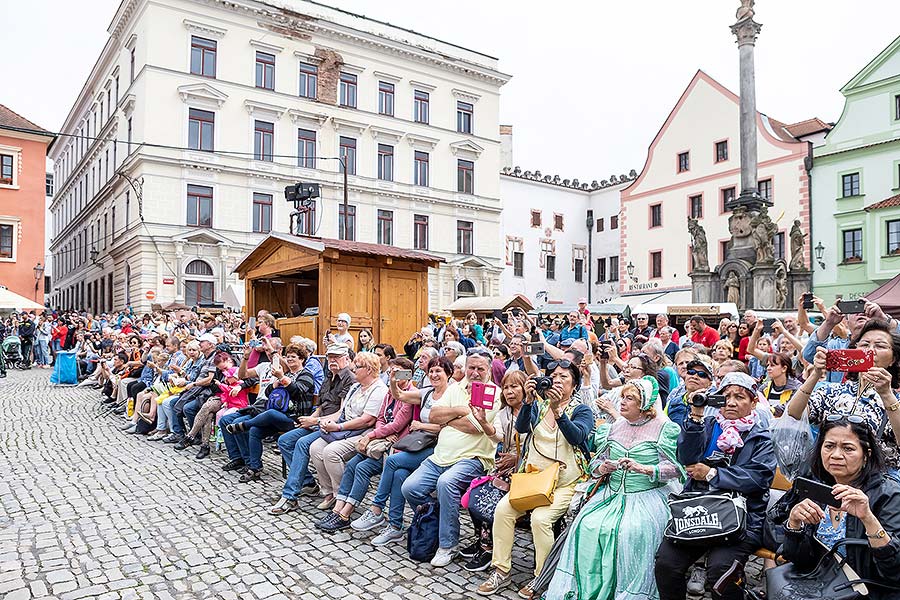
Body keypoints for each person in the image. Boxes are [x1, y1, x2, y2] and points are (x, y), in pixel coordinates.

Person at [543, 377, 685, 600]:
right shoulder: (614, 427)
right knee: (585, 524)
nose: (623, 403)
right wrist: (604, 467)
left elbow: (676, 469)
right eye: (623, 398)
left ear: (645, 405)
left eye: (630, 399)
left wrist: (644, 469)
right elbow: (594, 466)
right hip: (612, 494)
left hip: (646, 496)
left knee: (630, 532)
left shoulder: (664, 429)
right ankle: (587, 588)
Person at [654, 372, 777, 600]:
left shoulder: (761, 437)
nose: (731, 402)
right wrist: (696, 415)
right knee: (666, 564)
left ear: (753, 402)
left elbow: (758, 478)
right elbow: (686, 457)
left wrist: (711, 473)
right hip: (700, 512)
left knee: (722, 574)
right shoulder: (708, 425)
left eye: (740, 397)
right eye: (725, 396)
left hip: (741, 520)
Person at [477, 359, 593, 598]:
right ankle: (500, 570)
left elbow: (577, 436)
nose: (557, 380)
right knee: (503, 511)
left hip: (565, 482)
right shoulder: (539, 405)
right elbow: (521, 429)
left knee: (540, 519)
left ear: (574, 384)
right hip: (533, 478)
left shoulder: (581, 409)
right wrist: (529, 400)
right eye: (553, 376)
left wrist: (558, 410)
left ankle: (542, 577)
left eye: (564, 377)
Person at [401, 349, 501, 568]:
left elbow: (475, 427)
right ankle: (439, 520)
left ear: (489, 370)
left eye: (480, 368)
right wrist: (459, 411)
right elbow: (432, 415)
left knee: (446, 483)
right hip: (441, 456)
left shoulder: (492, 392)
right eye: (471, 367)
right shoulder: (455, 388)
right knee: (410, 487)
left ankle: (448, 544)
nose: (474, 372)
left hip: (474, 458)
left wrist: (448, 420)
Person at [781, 418, 900, 598]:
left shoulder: (888, 494)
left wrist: (868, 518)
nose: (836, 455)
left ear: (866, 454)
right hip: (821, 587)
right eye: (829, 446)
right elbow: (800, 561)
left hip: (869, 592)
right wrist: (794, 525)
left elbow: (894, 571)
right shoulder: (817, 488)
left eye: (848, 448)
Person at [351, 356, 452, 545]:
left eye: (439, 371)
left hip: (440, 447)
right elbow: (399, 395)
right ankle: (395, 526)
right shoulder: (427, 392)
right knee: (399, 474)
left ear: (449, 373)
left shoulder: (452, 394)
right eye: (431, 371)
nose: (434, 374)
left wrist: (422, 425)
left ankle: (376, 508)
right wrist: (392, 380)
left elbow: (451, 427)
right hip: (420, 443)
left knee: (392, 461)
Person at [788, 319, 900, 480]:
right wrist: (815, 374)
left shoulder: (895, 400)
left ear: (893, 359)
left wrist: (887, 395)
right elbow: (794, 412)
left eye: (880, 346)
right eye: (865, 345)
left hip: (876, 489)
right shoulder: (832, 390)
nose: (870, 351)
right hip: (829, 481)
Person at [316, 358, 415, 532]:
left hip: (396, 445)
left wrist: (373, 435)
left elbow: (398, 424)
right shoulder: (390, 392)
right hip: (382, 440)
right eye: (392, 371)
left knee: (362, 467)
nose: (394, 375)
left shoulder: (410, 394)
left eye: (398, 372)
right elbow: (381, 418)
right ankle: (338, 508)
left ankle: (346, 513)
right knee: (352, 465)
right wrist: (379, 434)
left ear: (408, 374)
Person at [269, 344, 355, 507]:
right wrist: (310, 419)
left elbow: (342, 414)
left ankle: (290, 496)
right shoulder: (329, 377)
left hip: (334, 427)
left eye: (336, 357)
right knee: (285, 441)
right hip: (319, 422)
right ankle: (308, 483)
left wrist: (314, 421)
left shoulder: (349, 379)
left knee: (302, 443)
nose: (332, 360)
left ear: (346, 358)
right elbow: (321, 407)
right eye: (330, 357)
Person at [459, 370, 526, 573]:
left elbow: (540, 444)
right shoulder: (504, 413)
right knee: (473, 497)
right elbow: (497, 436)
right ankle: (482, 540)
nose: (509, 391)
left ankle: (489, 549)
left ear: (525, 388)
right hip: (504, 468)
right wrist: (483, 421)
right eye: (506, 387)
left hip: (527, 470)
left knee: (490, 499)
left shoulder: (535, 412)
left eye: (514, 386)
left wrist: (519, 457)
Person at [308, 352, 388, 510]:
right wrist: (326, 421)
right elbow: (341, 413)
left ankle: (341, 495)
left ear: (369, 370)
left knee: (331, 452)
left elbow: (367, 420)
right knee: (315, 448)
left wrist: (338, 427)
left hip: (363, 432)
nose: (353, 370)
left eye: (357, 367)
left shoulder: (379, 389)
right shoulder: (355, 387)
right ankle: (329, 492)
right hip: (345, 428)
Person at [664, 355, 715, 426]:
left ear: (710, 384)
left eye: (701, 374)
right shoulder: (672, 403)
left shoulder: (714, 405)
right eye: (691, 372)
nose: (694, 376)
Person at [758, 352, 800, 418]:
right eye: (768, 365)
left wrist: (771, 410)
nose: (768, 368)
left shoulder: (796, 387)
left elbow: (790, 408)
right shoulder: (764, 387)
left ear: (784, 368)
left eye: (772, 365)